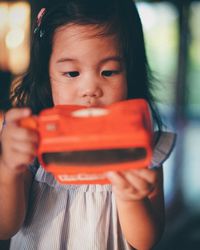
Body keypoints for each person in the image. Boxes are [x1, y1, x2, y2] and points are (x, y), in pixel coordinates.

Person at [0, 0, 176, 249]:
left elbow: (146, 241)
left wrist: (129, 199)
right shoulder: (33, 142)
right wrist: (8, 169)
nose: (91, 90)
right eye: (72, 73)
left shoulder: (141, 147)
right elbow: (5, 227)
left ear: (130, 71)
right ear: (46, 75)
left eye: (109, 72)